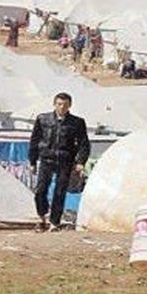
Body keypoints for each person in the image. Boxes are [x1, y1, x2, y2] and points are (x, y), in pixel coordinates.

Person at [28, 93, 90, 231]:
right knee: (40, 190)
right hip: (46, 159)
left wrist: (80, 162)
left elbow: (84, 144)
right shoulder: (43, 119)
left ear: (70, 106)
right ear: (54, 104)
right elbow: (34, 140)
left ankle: (54, 222)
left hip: (65, 160)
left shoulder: (77, 122)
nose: (62, 107)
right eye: (59, 104)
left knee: (60, 192)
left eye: (65, 105)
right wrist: (32, 161)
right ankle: (42, 216)